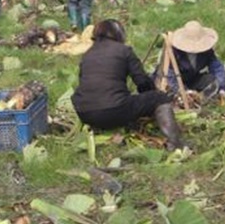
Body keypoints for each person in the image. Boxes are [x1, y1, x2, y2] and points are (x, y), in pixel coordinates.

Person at [72, 19, 186, 151]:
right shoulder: (124, 50)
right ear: (118, 34)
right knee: (159, 98)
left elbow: (85, 83)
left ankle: (105, 127)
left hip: (85, 113)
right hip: (112, 109)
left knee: (117, 102)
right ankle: (175, 142)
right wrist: (151, 96)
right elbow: (142, 81)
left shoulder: (87, 55)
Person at [158, 20, 225, 102]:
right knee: (169, 94)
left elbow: (217, 67)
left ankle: (201, 97)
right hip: (176, 81)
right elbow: (169, 75)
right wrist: (182, 91)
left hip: (193, 79)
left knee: (211, 80)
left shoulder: (206, 51)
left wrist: (222, 88)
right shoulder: (174, 52)